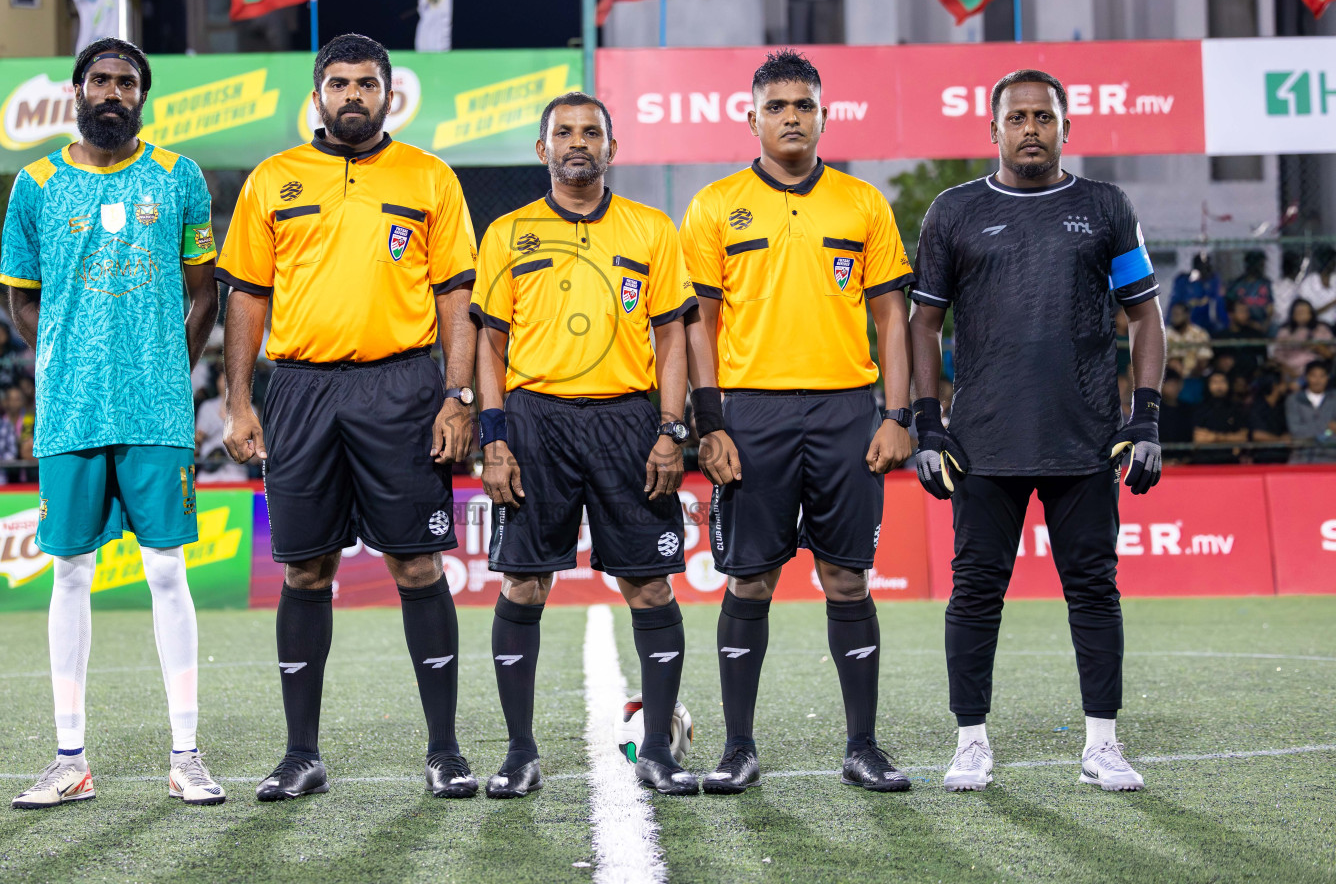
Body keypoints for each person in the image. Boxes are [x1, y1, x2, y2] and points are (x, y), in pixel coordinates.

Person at [214, 33, 479, 801]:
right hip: (299, 392)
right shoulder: (274, 179)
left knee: (417, 565)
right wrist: (240, 401)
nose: (353, 95)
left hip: (402, 388)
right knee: (304, 569)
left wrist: (456, 397)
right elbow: (246, 297)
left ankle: (445, 751)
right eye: (339, 83)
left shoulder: (429, 177)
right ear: (318, 94)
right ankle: (301, 754)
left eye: (367, 83)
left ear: (389, 94)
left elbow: (457, 296)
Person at [908, 69, 1165, 794]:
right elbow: (922, 323)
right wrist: (929, 426)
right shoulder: (952, 212)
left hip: (1085, 439)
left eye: (1043, 117)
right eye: (1016, 117)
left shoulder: (1106, 207)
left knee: (1094, 590)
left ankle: (1102, 744)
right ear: (992, 131)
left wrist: (1143, 417)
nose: (1030, 129)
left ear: (1065, 128)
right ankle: (970, 741)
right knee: (974, 591)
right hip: (983, 442)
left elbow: (1146, 315)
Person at [680, 49, 916, 795]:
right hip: (751, 414)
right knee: (750, 581)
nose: (791, 117)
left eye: (803, 105)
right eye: (776, 106)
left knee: (847, 579)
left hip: (847, 411)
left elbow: (892, 317)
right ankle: (738, 748)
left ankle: (863, 747)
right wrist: (707, 424)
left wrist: (897, 415)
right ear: (750, 118)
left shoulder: (861, 202)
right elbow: (698, 327)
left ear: (824, 114)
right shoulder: (715, 204)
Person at [0, 37, 225, 810]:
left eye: (127, 82)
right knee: (69, 572)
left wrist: (172, 363)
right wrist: (65, 354)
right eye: (100, 79)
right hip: (68, 408)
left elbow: (206, 290)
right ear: (76, 88)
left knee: (166, 570)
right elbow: (19, 295)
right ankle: (70, 759)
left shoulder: (180, 177)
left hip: (155, 407)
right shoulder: (33, 184)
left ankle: (187, 754)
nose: (113, 92)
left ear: (142, 97)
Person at [474, 92, 697, 797]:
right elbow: (490, 341)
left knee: (650, 583)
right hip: (534, 420)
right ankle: (519, 754)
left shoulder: (651, 229)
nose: (578, 142)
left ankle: (657, 749)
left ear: (612, 148)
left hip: (629, 423)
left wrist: (671, 430)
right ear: (542, 150)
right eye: (563, 132)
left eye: (592, 131)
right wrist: (494, 437)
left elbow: (672, 339)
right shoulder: (508, 233)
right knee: (523, 582)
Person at [194, 369, 250, 483]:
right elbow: (197, 441)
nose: (227, 381)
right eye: (223, 377)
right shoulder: (207, 407)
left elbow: (252, 447)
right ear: (217, 381)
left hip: (236, 470)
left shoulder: (249, 409)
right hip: (209, 470)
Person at [1272, 299, 1335, 381]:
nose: (1301, 315)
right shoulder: (1285, 331)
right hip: (1289, 370)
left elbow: (1331, 354)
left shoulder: (1321, 329)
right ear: (1293, 315)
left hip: (1314, 372)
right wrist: (1288, 371)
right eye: (1298, 312)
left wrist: (1319, 348)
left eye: (1304, 312)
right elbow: (1278, 356)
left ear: (1311, 314)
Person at [1191, 370, 1245, 465]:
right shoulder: (1200, 409)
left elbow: (1243, 437)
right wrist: (1229, 438)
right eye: (1215, 382)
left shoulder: (1237, 408)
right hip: (1205, 461)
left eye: (1222, 381)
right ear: (1208, 385)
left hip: (1231, 461)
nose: (1219, 386)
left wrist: (1215, 437)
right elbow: (1199, 438)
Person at [1287, 362, 1336, 464]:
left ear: (1328, 378)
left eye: (1322, 376)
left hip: (1331, 458)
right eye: (1313, 376)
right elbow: (1296, 432)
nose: (1318, 380)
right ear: (1306, 377)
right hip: (1302, 458)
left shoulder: (1334, 398)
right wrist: (1327, 428)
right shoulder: (1294, 400)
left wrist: (1324, 432)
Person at [1211, 301, 1266, 383]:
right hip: (1227, 379)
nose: (1246, 315)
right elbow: (1214, 359)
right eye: (1242, 311)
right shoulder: (1220, 337)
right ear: (1231, 314)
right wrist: (1219, 363)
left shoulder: (1255, 334)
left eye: (1247, 311)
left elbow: (1263, 357)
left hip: (1252, 378)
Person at [1170, 254, 1225, 333]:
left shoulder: (1213, 281)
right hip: (1189, 325)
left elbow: (1218, 306)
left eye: (1205, 268)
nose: (1203, 271)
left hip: (1210, 325)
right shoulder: (1185, 282)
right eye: (1201, 268)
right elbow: (1175, 304)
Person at [1246, 374, 1291, 464]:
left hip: (1283, 456)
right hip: (1262, 457)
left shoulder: (1281, 406)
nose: (1287, 385)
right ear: (1275, 386)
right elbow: (1257, 435)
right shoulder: (1256, 407)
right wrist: (1280, 440)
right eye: (1283, 383)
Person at [1226, 250, 1273, 334]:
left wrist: (1264, 326)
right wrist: (1250, 324)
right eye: (1259, 264)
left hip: (1264, 327)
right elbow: (1231, 311)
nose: (1261, 268)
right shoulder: (1236, 285)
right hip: (1241, 326)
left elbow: (1270, 310)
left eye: (1262, 265)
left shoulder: (1267, 284)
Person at [1164, 301, 1213, 379]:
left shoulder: (1199, 334)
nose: (1174, 318)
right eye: (1173, 314)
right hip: (1169, 378)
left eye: (1177, 314)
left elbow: (1204, 359)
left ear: (1187, 315)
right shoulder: (1164, 334)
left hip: (1194, 376)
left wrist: (1192, 372)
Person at [1157, 370, 1195, 458]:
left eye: (1176, 384)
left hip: (1185, 460)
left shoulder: (1187, 409)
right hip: (1161, 461)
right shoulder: (1154, 410)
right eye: (1170, 385)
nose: (1174, 388)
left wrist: (1186, 459)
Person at [1272, 251, 1309, 328]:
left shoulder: (1274, 285)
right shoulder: (1297, 288)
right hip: (1282, 325)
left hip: (1289, 324)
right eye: (1298, 267)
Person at [1301, 246, 1336, 325]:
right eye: (1332, 261)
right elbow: (1308, 314)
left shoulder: (1334, 278)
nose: (1335, 264)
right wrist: (1332, 303)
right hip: (1315, 325)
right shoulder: (1308, 283)